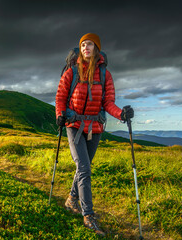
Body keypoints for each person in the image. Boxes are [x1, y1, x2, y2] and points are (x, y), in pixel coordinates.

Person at [55, 33, 134, 236]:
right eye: (82, 45)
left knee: (84, 168)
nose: (85, 48)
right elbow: (60, 96)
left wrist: (121, 114)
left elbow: (108, 102)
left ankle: (71, 199)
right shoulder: (71, 72)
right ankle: (88, 215)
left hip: (95, 128)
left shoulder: (105, 74)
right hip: (74, 125)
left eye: (89, 44)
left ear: (97, 48)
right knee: (84, 168)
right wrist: (60, 115)